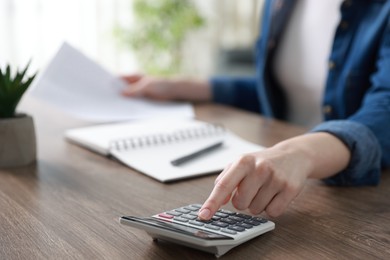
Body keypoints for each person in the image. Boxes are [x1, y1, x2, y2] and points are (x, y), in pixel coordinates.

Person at [121, 0, 390, 221]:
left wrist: (299, 153)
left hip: (357, 201)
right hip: (284, 172)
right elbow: (283, 88)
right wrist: (185, 86)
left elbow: (384, 109)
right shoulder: (279, 4)